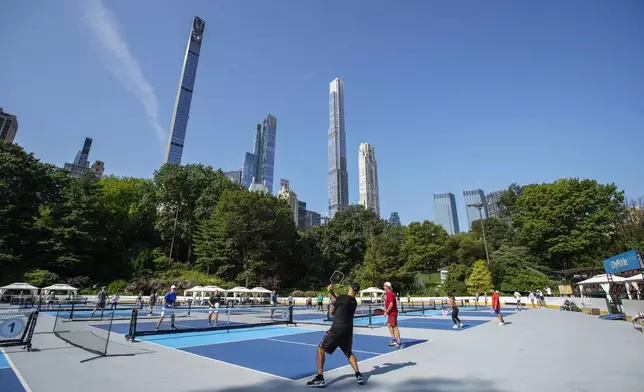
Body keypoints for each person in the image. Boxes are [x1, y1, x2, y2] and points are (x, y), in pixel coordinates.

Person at [307, 282, 364, 388]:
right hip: (348, 330)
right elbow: (338, 301)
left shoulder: (342, 297)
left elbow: (334, 308)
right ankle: (358, 374)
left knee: (320, 349)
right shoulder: (354, 302)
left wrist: (330, 292)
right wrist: (331, 291)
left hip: (337, 328)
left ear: (349, 288)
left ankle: (320, 377)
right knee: (348, 353)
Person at [384, 282, 401, 348]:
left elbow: (391, 304)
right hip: (390, 313)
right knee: (389, 325)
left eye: (385, 286)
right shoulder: (388, 293)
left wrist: (386, 312)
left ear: (388, 286)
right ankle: (393, 339)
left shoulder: (390, 293)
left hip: (392, 313)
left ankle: (398, 342)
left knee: (394, 327)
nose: (384, 287)